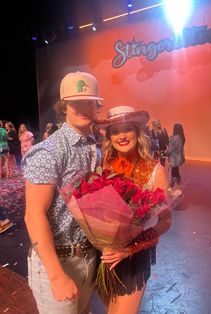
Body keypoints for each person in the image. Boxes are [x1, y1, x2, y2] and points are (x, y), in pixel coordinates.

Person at [21, 71, 103, 314]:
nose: (82, 107)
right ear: (63, 106)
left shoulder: (94, 148)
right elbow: (33, 215)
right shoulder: (49, 151)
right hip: (56, 263)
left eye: (89, 101)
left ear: (97, 106)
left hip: (87, 258)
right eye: (75, 102)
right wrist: (56, 275)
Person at [97, 106, 172, 314]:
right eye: (115, 131)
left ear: (137, 132)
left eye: (127, 129)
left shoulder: (155, 170)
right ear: (109, 136)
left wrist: (130, 248)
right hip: (104, 255)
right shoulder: (104, 165)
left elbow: (166, 221)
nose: (121, 136)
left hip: (133, 258)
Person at [167, 123, 185, 188]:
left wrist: (166, 153)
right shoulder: (182, 137)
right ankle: (177, 185)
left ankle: (172, 186)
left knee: (174, 172)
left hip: (174, 158)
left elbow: (170, 149)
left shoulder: (174, 138)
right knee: (176, 171)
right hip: (178, 157)